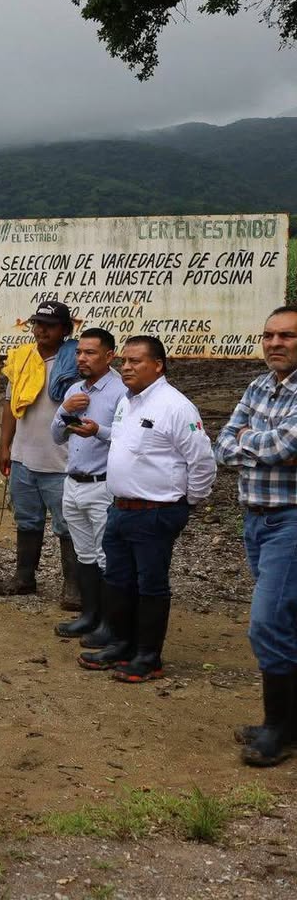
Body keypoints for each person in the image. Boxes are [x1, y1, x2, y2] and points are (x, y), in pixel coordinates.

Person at [77, 336, 215, 682]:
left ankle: (149, 656)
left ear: (158, 365)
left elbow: (202, 461)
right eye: (124, 361)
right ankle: (122, 644)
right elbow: (126, 443)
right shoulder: (128, 402)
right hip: (120, 509)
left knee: (150, 584)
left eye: (135, 361)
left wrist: (188, 502)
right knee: (118, 580)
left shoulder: (175, 406)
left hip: (155, 511)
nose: (126, 367)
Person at [215, 307, 297, 765]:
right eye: (268, 335)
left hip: (291, 520)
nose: (275, 343)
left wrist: (253, 441)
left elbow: (287, 444)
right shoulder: (258, 385)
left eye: (286, 336)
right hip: (256, 519)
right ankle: (288, 722)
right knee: (286, 621)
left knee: (267, 623)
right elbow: (222, 445)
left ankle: (276, 729)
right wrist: (263, 446)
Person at [0, 300, 79, 602]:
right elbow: (10, 405)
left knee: (67, 524)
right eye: (38, 324)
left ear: (65, 330)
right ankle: (24, 578)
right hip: (23, 457)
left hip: (61, 460)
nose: (41, 330)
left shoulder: (75, 365)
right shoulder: (22, 358)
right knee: (27, 520)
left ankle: (73, 587)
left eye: (50, 325)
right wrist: (5, 446)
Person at [48, 328, 123, 639]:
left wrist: (98, 431)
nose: (81, 358)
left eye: (90, 353)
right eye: (79, 352)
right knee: (84, 554)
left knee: (106, 556)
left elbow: (128, 438)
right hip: (73, 482)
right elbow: (56, 436)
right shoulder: (75, 389)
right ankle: (89, 615)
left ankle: (109, 623)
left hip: (102, 484)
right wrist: (64, 411)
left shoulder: (121, 392)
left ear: (109, 356)